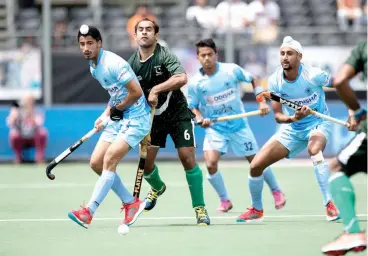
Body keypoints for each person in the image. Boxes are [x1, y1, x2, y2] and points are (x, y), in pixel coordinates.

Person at [237, 36, 340, 222]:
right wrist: (294, 117)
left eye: (290, 54)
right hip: (293, 127)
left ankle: (329, 204)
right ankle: (256, 210)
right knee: (255, 166)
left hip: (318, 123)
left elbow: (339, 83)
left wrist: (352, 110)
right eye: (282, 53)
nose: (285, 57)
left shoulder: (314, 75)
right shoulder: (275, 81)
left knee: (314, 150)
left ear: (299, 56)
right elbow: (278, 116)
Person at [127, 18, 210, 226]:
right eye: (140, 30)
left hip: (178, 113)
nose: (144, 33)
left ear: (156, 35)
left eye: (149, 30)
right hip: (152, 118)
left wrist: (156, 89)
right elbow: (124, 91)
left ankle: (200, 208)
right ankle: (157, 187)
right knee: (145, 164)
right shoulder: (131, 64)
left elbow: (181, 78)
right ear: (135, 35)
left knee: (187, 157)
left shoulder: (165, 56)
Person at [187, 38, 286, 213]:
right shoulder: (195, 83)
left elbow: (253, 79)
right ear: (198, 58)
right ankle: (225, 200)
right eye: (203, 55)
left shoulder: (231, 70)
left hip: (239, 126)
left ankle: (276, 190)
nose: (207, 58)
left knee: (257, 162)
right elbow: (193, 106)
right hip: (216, 129)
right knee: (210, 164)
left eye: (210, 54)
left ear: (216, 54)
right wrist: (201, 118)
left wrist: (262, 102)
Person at [68, 25, 151, 230]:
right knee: (96, 163)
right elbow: (115, 94)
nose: (86, 48)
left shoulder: (113, 63)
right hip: (119, 116)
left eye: (89, 43)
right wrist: (105, 115)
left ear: (99, 43)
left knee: (109, 159)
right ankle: (131, 202)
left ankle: (89, 211)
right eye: (82, 44)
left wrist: (118, 109)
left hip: (137, 117)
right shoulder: (94, 67)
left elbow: (136, 92)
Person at [321, 41, 367, 255]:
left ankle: (352, 233)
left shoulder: (363, 48)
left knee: (337, 168)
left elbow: (339, 81)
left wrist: (357, 112)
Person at [6, 94, 47, 164]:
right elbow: (9, 123)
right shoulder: (17, 110)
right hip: (21, 136)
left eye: (30, 101)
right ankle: (18, 157)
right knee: (13, 135)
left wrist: (31, 114)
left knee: (43, 133)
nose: (28, 103)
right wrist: (14, 116)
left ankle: (39, 157)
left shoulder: (37, 111)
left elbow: (39, 124)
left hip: (33, 137)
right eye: (26, 101)